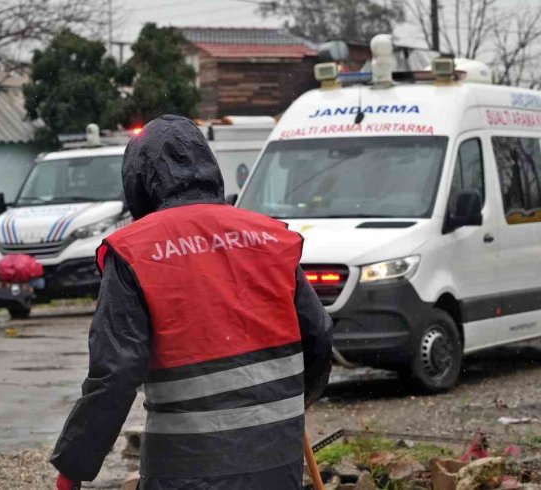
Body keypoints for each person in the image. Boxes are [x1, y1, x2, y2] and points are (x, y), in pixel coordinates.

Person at [50, 115, 333, 490]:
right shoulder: (268, 238)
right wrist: (292, 406)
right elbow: (319, 337)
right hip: (276, 463)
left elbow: (116, 373)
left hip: (185, 471)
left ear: (139, 179)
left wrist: (74, 465)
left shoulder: (136, 252)